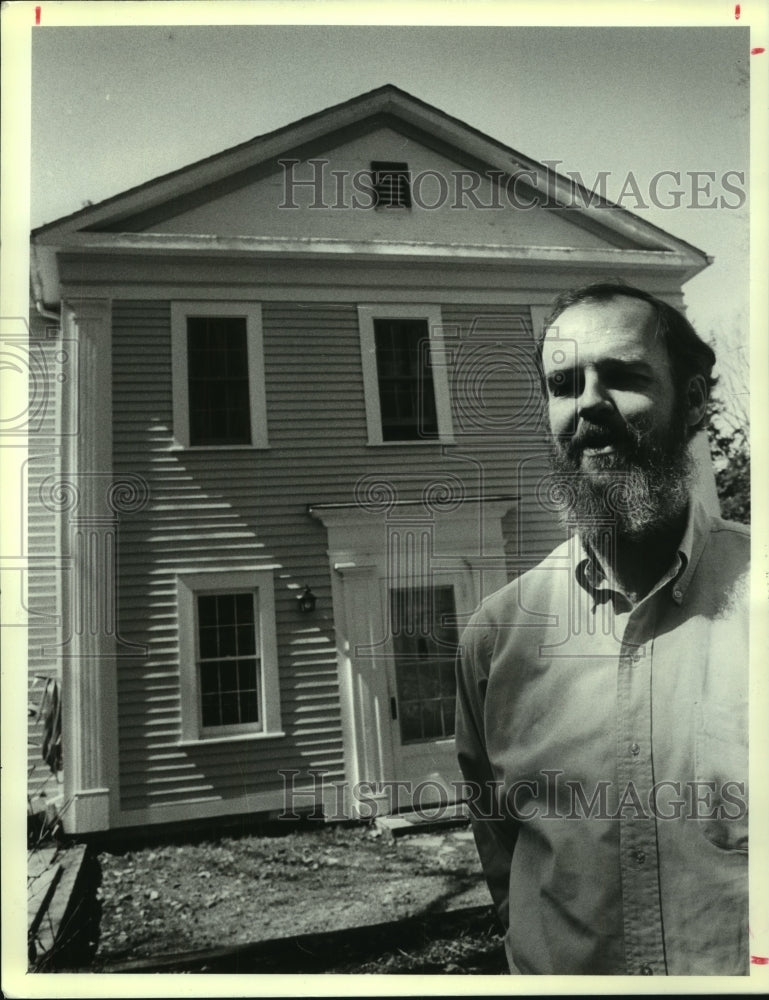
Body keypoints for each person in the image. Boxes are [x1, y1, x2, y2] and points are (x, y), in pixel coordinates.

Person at [455, 282, 749, 976]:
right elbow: (506, 867)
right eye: (563, 383)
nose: (588, 402)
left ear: (696, 400)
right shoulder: (498, 638)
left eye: (621, 376)